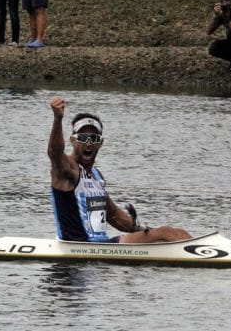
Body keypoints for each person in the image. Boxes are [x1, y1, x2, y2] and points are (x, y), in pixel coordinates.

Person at [47, 96, 192, 244]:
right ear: (72, 140)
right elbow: (55, 154)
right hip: (77, 245)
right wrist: (57, 119)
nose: (88, 142)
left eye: (94, 137)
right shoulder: (67, 169)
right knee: (167, 233)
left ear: (100, 143)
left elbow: (115, 216)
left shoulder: (96, 176)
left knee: (176, 233)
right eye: (83, 137)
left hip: (101, 247)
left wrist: (147, 230)